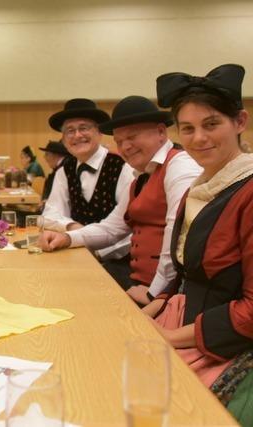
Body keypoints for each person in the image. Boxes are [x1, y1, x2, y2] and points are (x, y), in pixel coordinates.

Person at [142, 64, 253, 423]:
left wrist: (170, 338)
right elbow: (187, 271)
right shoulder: (201, 186)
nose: (199, 138)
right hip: (182, 319)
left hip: (226, 340)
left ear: (239, 122)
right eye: (187, 128)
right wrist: (153, 307)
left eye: (211, 124)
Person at [42, 96, 202, 304]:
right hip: (140, 283)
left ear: (161, 132)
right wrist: (68, 238)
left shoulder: (180, 167)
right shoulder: (141, 177)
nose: (125, 147)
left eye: (132, 137)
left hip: (167, 295)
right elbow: (112, 228)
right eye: (119, 141)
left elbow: (179, 238)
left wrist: (154, 294)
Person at [43, 98, 135, 270]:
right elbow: (49, 215)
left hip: (118, 261)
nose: (77, 135)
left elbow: (129, 226)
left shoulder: (123, 167)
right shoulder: (64, 171)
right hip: (75, 254)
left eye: (84, 128)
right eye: (70, 130)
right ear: (63, 139)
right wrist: (72, 227)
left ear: (99, 132)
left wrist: (98, 252)